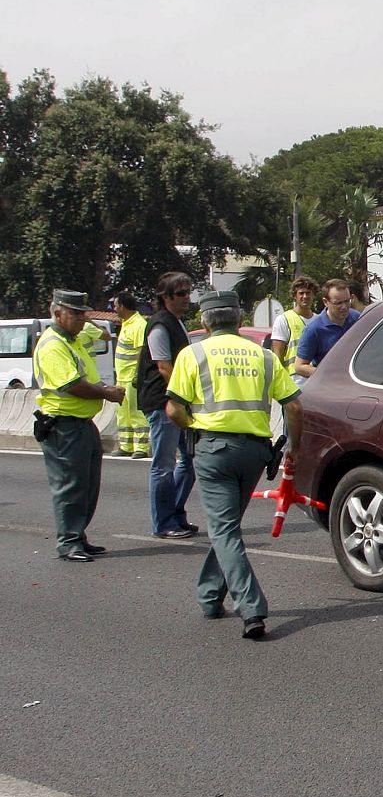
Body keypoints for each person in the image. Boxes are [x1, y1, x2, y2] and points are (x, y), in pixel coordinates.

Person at [165, 290, 302, 639]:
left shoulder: (192, 354)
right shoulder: (264, 356)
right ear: (240, 320)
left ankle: (252, 609)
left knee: (223, 530)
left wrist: (193, 428)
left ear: (204, 321)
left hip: (214, 450)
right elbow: (295, 406)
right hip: (255, 453)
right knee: (226, 527)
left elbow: (173, 409)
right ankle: (210, 596)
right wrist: (293, 448)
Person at [32, 289, 126, 562]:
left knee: (87, 485)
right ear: (57, 313)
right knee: (70, 486)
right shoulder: (53, 344)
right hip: (63, 425)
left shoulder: (71, 339)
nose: (81, 319)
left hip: (81, 423)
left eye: (83, 314)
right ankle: (69, 541)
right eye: (75, 314)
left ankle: (78, 535)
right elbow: (71, 385)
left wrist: (103, 388)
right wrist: (106, 393)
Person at [136, 271, 198, 540]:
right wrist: (183, 396)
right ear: (165, 297)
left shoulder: (176, 322)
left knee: (191, 459)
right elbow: (164, 367)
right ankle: (163, 523)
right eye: (181, 294)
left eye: (188, 292)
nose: (187, 298)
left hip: (176, 401)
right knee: (163, 465)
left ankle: (175, 513)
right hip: (163, 402)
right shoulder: (160, 325)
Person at [294, 278, 361, 378]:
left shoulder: (358, 319)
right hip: (330, 388)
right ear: (326, 302)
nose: (344, 307)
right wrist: (329, 376)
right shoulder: (314, 330)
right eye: (338, 303)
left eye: (347, 301)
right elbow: (299, 366)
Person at [111, 293, 149, 457]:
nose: (114, 308)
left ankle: (141, 448)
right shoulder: (127, 323)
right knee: (123, 414)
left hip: (132, 378)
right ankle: (126, 446)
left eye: (115, 305)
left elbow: (142, 351)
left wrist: (137, 376)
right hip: (122, 378)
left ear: (123, 306)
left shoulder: (139, 324)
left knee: (136, 413)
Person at [270, 276, 319, 381]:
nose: (305, 296)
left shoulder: (320, 320)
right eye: (301, 293)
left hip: (316, 376)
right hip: (294, 378)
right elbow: (277, 356)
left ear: (313, 295)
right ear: (295, 296)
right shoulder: (284, 320)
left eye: (308, 293)